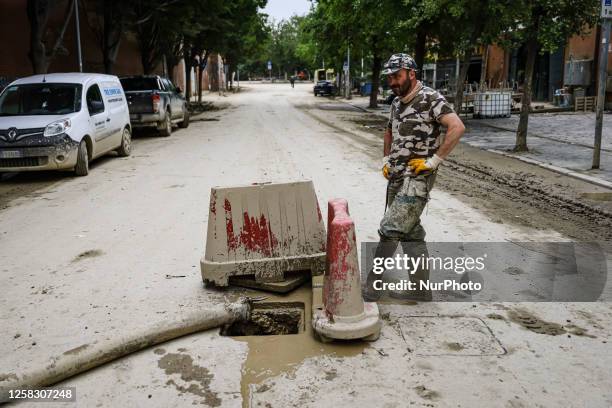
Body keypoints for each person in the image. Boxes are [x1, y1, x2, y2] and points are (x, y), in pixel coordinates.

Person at [363, 53, 465, 301]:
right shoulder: (396, 103)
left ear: (411, 73)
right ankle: (420, 289)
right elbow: (389, 131)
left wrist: (434, 161)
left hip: (416, 179)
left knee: (390, 229)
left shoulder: (430, 98)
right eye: (390, 78)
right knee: (411, 234)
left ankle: (372, 288)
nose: (393, 82)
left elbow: (457, 126)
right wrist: (386, 160)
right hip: (396, 178)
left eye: (397, 76)